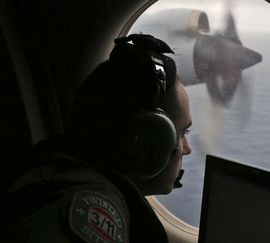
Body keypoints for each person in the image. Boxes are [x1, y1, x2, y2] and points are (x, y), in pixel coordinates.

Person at [0, 34, 192, 242]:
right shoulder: (93, 208)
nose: (187, 148)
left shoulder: (65, 174)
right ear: (145, 140)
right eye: (182, 133)